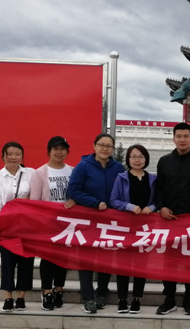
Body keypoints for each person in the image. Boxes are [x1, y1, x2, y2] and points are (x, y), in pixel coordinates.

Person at [67, 132, 123, 314]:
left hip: (109, 222)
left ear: (112, 149)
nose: (105, 149)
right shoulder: (83, 166)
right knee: (86, 260)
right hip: (88, 220)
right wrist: (94, 203)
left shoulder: (118, 168)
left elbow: (124, 191)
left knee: (106, 258)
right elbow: (73, 191)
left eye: (109, 146)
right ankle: (88, 297)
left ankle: (102, 293)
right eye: (101, 145)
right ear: (94, 146)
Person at [155, 122, 190, 315]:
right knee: (169, 261)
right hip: (168, 219)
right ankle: (169, 299)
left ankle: (189, 298)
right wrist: (162, 207)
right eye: (179, 136)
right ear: (174, 138)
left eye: (186, 136)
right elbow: (158, 188)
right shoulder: (164, 161)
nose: (182, 140)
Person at [109, 144, 157, 314]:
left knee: (141, 264)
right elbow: (113, 200)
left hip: (145, 227)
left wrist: (152, 207)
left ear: (146, 159)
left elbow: (157, 201)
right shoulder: (121, 178)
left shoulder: (152, 179)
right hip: (125, 227)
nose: (137, 160)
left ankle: (137, 299)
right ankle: (122, 299)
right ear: (128, 159)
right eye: (134, 156)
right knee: (123, 264)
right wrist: (129, 206)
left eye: (141, 157)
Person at [29, 135, 75, 311]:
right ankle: (47, 291)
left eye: (63, 149)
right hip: (47, 222)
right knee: (48, 257)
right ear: (49, 151)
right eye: (56, 149)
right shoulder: (40, 173)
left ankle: (59, 289)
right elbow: (35, 201)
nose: (59, 152)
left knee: (63, 257)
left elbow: (77, 193)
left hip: (67, 222)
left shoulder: (72, 171)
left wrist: (74, 201)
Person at [0, 141, 33, 312]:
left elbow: (36, 196)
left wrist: (23, 201)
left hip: (27, 224)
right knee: (7, 261)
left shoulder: (31, 173)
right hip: (6, 224)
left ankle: (21, 297)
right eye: (10, 154)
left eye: (17, 154)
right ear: (3, 156)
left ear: (22, 156)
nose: (14, 157)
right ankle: (8, 297)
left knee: (26, 261)